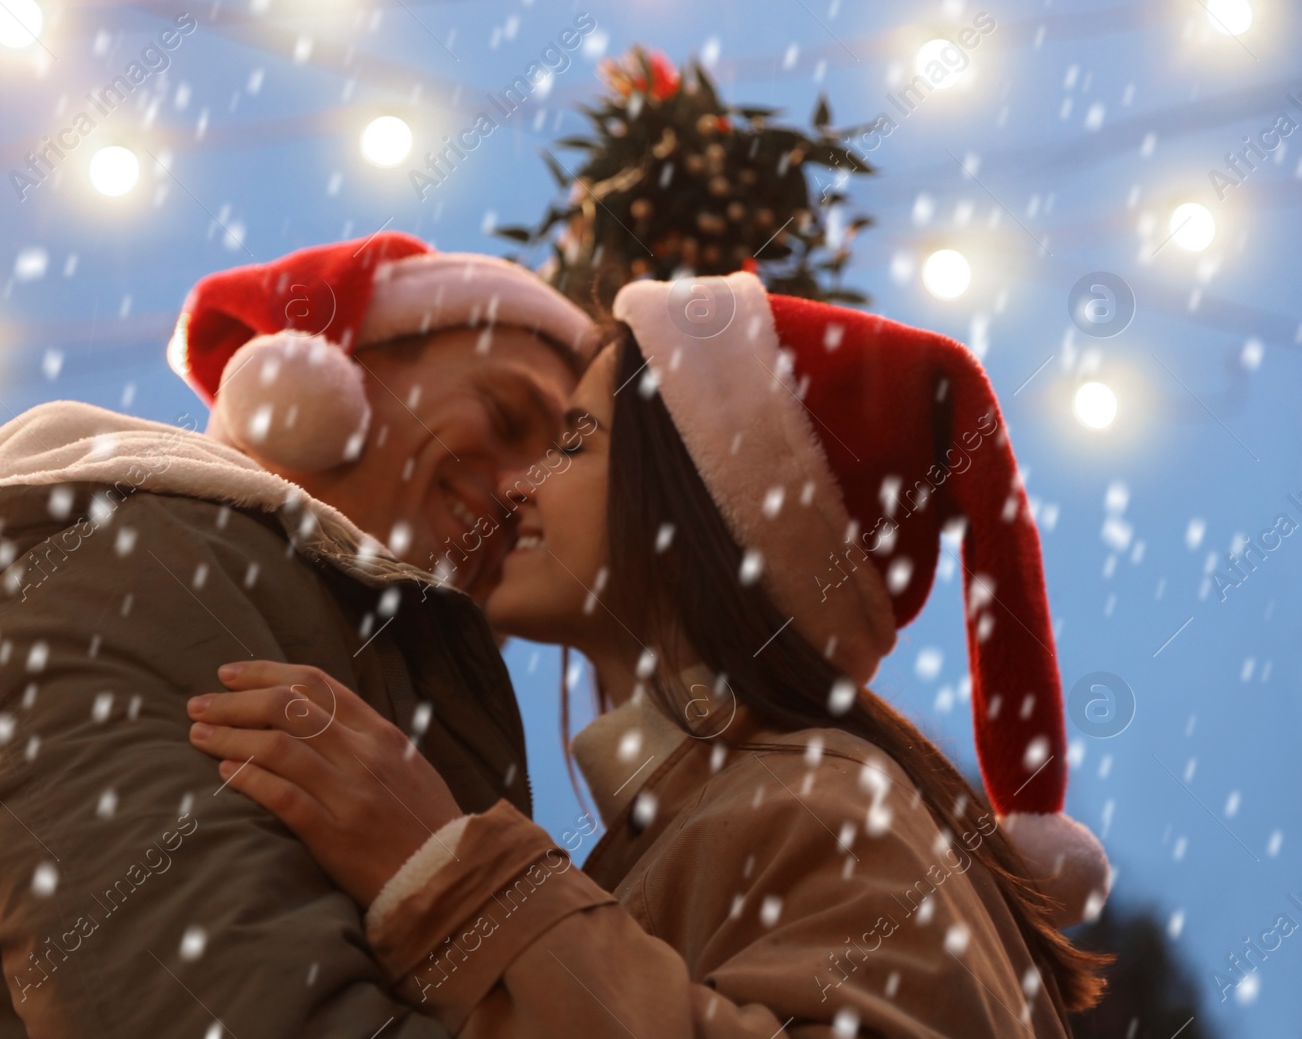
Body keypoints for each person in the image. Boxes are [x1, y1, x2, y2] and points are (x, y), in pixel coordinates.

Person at [186, 272, 1114, 1037]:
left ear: (697, 501)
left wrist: (450, 873)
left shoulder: (830, 804)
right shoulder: (688, 827)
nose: (518, 487)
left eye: (574, 440)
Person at [0, 233, 599, 1038]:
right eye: (508, 415)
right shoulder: (132, 584)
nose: (525, 488)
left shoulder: (256, 608)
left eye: (561, 461)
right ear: (315, 384)